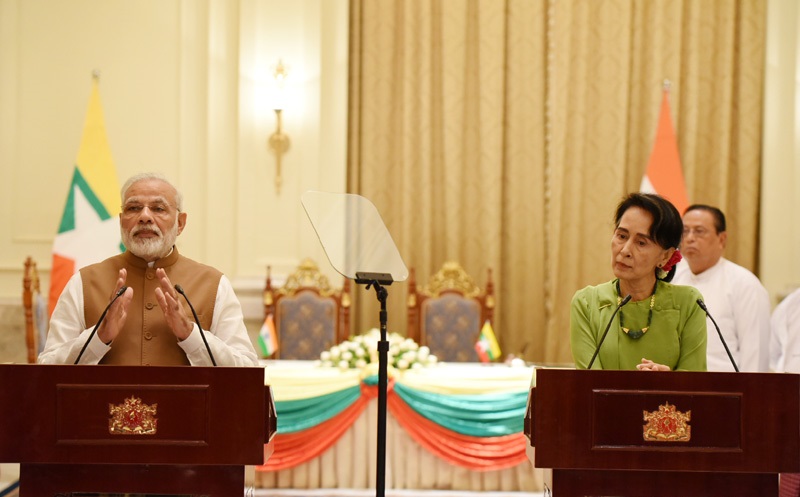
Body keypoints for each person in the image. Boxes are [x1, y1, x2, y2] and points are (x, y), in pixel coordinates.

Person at [39, 172, 259, 367]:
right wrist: (99, 336)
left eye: (158, 208)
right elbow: (47, 367)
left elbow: (247, 371)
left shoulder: (214, 284)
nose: (144, 216)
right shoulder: (84, 282)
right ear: (121, 221)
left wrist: (190, 334)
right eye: (133, 208)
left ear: (180, 223)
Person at [570, 193, 707, 371]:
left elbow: (694, 383)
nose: (625, 250)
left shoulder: (689, 303)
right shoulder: (587, 303)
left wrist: (670, 383)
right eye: (621, 236)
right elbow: (588, 385)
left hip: (669, 401)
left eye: (641, 243)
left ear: (665, 256)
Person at [671, 204, 771, 372]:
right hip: (677, 388)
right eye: (685, 231)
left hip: (724, 390)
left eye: (699, 231)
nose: (689, 238)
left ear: (722, 239)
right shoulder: (673, 280)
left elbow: (755, 356)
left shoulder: (744, 284)